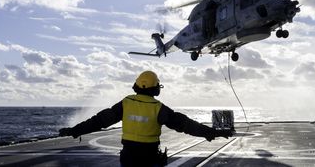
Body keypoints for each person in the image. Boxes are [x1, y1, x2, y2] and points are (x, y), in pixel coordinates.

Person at [59, 70, 233, 167]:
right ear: (156, 88)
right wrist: (210, 132)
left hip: (128, 159)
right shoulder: (158, 108)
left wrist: (75, 130)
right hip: (150, 159)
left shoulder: (125, 103)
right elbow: (184, 124)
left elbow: (99, 121)